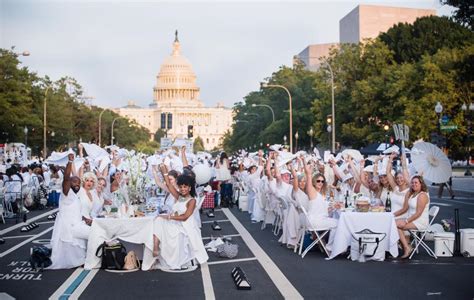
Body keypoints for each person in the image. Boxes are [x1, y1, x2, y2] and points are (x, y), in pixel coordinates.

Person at [152, 174, 208, 270]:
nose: (182, 189)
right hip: (176, 222)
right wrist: (164, 171)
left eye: (185, 187)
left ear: (190, 188)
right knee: (157, 220)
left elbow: (185, 217)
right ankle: (156, 247)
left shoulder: (192, 201)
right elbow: (170, 186)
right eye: (181, 187)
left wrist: (169, 217)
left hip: (185, 225)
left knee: (160, 220)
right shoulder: (181, 198)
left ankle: (157, 249)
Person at [48, 153, 91, 269]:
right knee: (72, 244)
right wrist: (70, 162)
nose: (77, 184)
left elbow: (75, 210)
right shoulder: (66, 192)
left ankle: (78, 261)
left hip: (76, 224)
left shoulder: (76, 195)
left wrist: (85, 219)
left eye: (78, 183)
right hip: (68, 226)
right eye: (74, 182)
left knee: (77, 247)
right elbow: (67, 177)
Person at [394, 175, 430, 259]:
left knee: (397, 225)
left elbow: (418, 213)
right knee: (393, 222)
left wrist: (406, 221)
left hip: (419, 221)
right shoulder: (412, 194)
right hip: (412, 219)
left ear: (421, 184)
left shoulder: (422, 195)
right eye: (412, 183)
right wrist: (392, 215)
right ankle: (406, 246)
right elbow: (405, 208)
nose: (414, 184)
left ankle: (406, 247)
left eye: (416, 182)